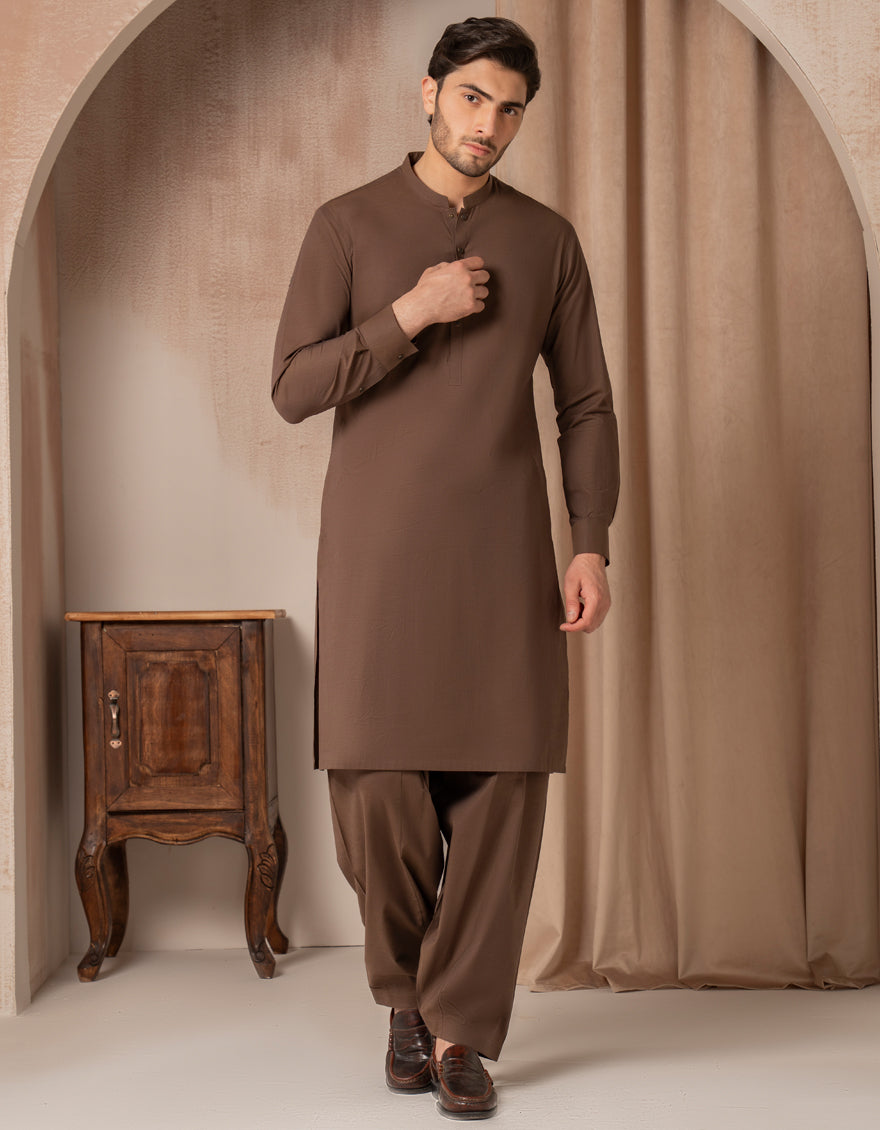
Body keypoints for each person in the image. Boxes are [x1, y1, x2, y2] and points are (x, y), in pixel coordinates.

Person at [271, 16, 619, 1121]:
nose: (490, 125)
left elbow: (586, 404)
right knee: (376, 793)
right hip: (379, 554)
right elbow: (291, 386)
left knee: (503, 789)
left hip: (504, 555)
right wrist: (410, 313)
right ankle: (407, 1000)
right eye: (473, 98)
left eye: (510, 108)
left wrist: (588, 539)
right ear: (429, 94)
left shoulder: (547, 240)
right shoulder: (346, 224)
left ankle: (462, 1028)